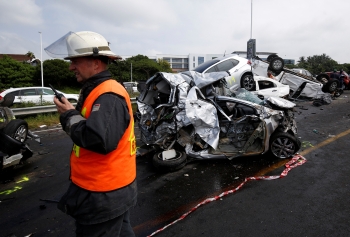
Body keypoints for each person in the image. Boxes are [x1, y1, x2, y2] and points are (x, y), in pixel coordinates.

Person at [45, 31, 137, 237]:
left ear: (96, 63)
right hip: (111, 188)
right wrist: (72, 113)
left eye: (75, 61)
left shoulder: (107, 95)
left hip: (104, 193)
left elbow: (99, 140)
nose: (71, 67)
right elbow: (93, 125)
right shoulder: (97, 90)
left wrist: (69, 116)